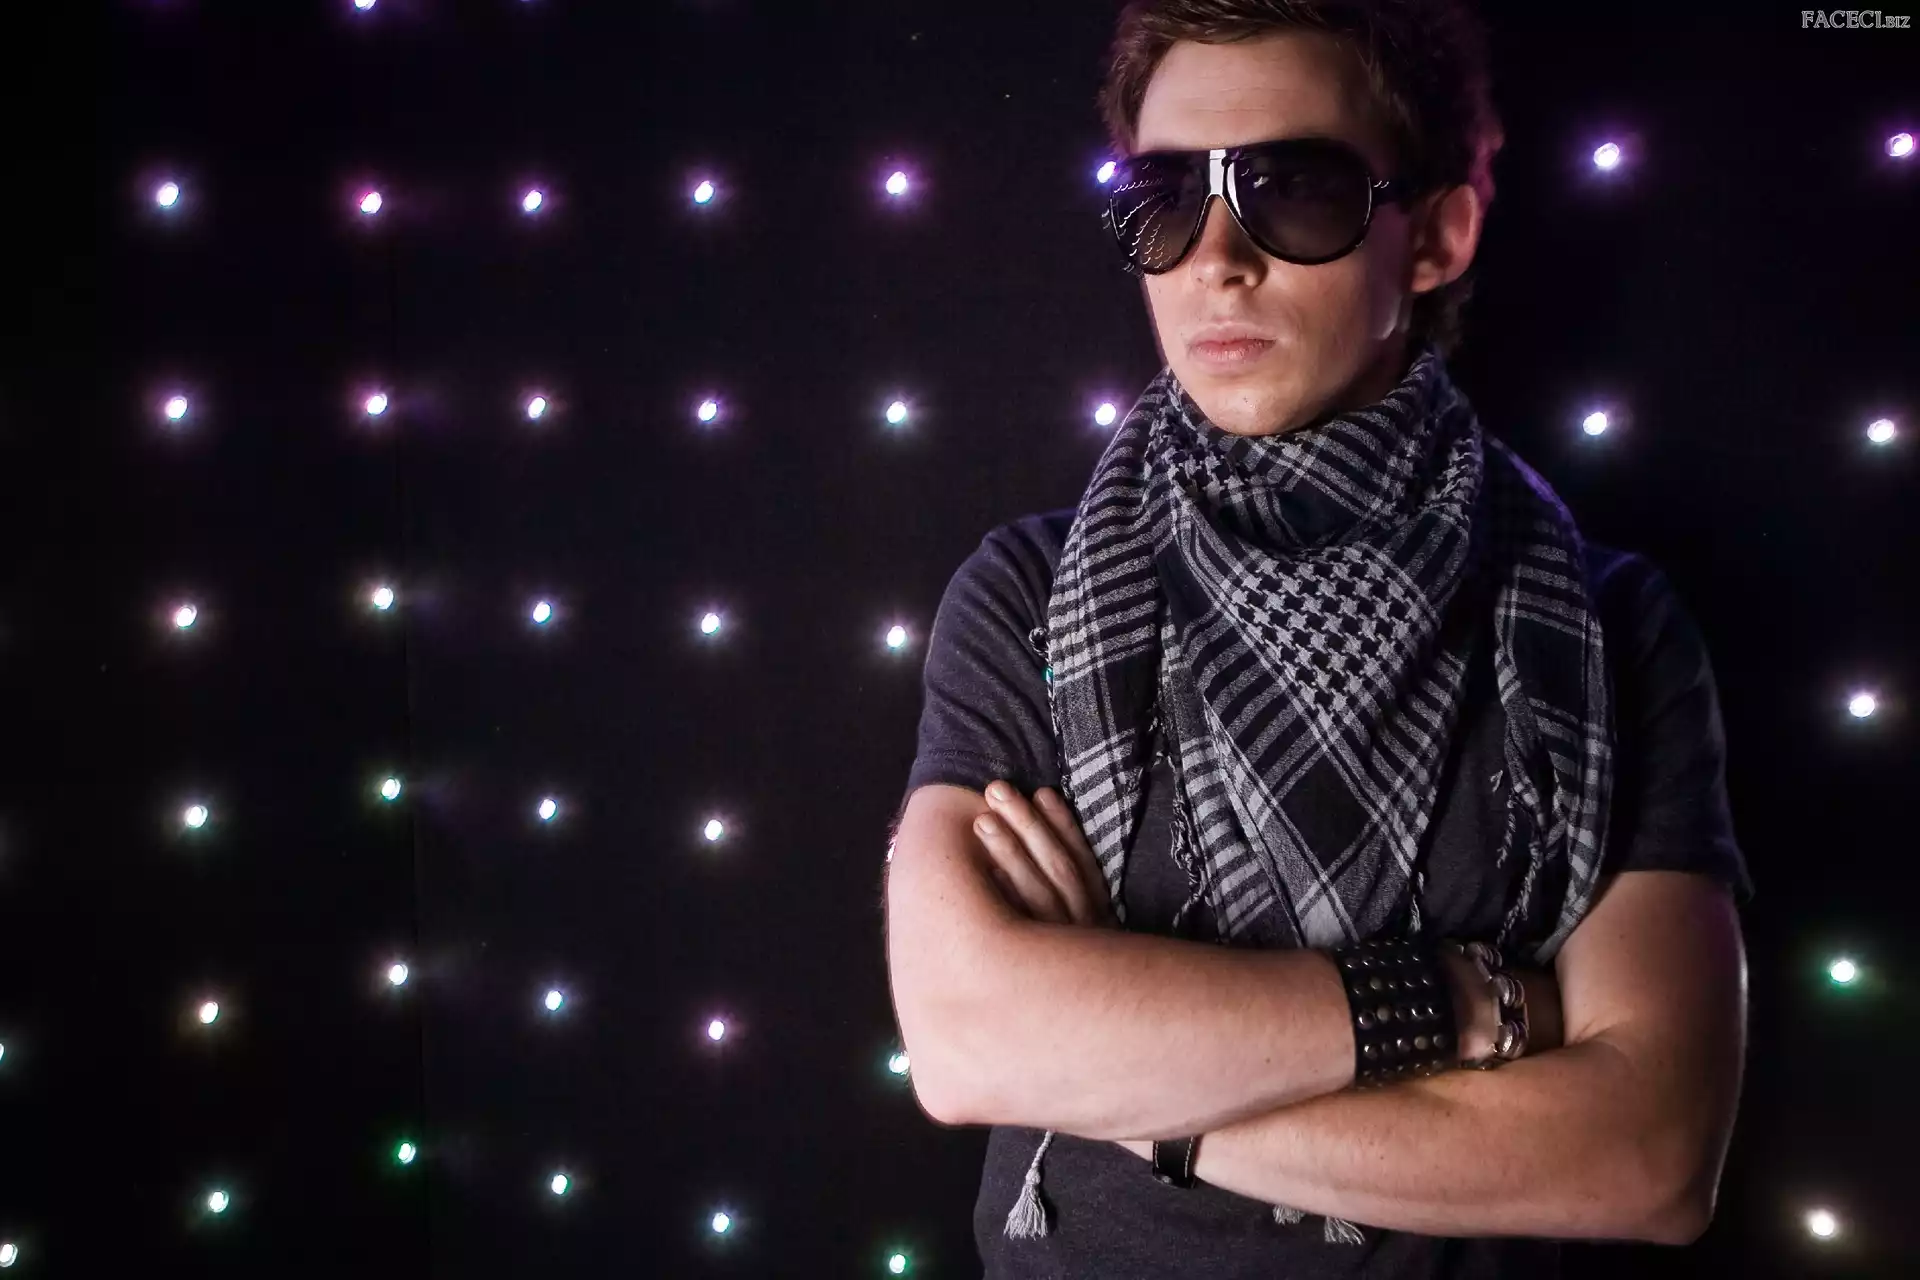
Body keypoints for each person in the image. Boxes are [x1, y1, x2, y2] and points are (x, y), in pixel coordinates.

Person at [882, 2, 1753, 1276]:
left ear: (1437, 235)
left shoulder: (1611, 628)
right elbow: (969, 1045)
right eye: (1164, 199)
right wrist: (1456, 1002)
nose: (1216, 259)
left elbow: (1650, 1154)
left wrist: (1125, 1085)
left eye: (1293, 189)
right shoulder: (1029, 594)